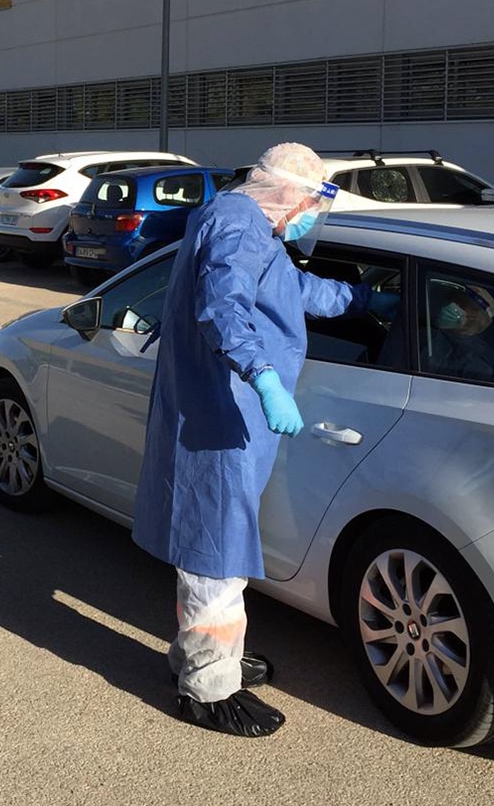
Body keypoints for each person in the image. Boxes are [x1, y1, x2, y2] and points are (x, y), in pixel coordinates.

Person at [132, 143, 398, 738]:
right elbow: (223, 310)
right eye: (308, 202)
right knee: (215, 554)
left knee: (217, 549)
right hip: (220, 414)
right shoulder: (237, 226)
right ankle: (207, 689)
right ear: (286, 192)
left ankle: (204, 656)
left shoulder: (243, 220)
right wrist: (265, 377)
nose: (309, 215)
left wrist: (363, 299)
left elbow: (288, 290)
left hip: (228, 414)